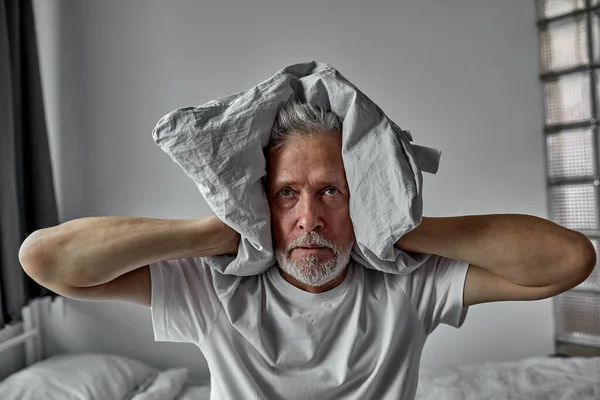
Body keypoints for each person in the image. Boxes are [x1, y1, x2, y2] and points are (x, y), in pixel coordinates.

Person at [19, 100, 596, 399]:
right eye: (285, 195)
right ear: (257, 203)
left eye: (331, 192)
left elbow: (570, 261)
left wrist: (396, 224)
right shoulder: (211, 288)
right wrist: (212, 233)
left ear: (361, 199)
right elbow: (44, 261)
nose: (309, 218)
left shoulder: (410, 282)